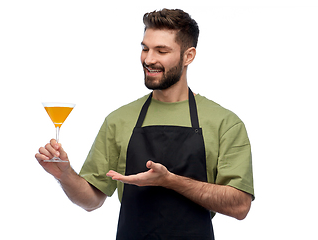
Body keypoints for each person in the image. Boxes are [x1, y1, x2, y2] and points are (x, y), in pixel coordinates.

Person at [36, 8, 254, 240]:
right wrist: (65, 175)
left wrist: (170, 181)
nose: (149, 59)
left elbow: (240, 206)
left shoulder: (224, 122)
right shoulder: (119, 120)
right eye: (145, 48)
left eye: (162, 50)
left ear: (188, 56)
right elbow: (92, 200)